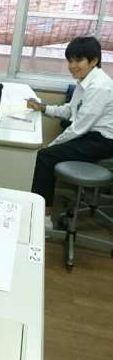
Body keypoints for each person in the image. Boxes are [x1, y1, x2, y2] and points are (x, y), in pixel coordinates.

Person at [27, 36, 113, 230]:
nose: (72, 66)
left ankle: (43, 220)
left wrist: (51, 145)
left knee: (45, 156)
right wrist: (43, 108)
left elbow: (78, 127)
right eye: (70, 61)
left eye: (78, 60)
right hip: (90, 134)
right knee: (47, 154)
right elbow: (70, 111)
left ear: (93, 61)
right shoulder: (85, 81)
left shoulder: (99, 86)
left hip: (104, 141)